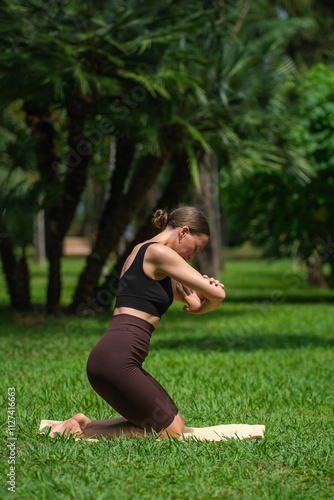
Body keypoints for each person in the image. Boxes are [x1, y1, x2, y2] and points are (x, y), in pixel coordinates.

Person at [50, 206, 226, 440]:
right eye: (196, 247)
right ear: (183, 231)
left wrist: (198, 300)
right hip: (116, 361)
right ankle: (79, 433)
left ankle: (84, 423)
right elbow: (217, 297)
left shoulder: (142, 253)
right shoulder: (159, 254)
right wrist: (209, 298)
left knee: (177, 423)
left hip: (112, 357)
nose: (193, 256)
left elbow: (190, 297)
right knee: (170, 433)